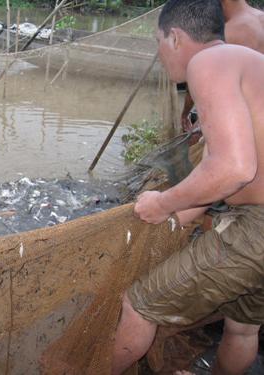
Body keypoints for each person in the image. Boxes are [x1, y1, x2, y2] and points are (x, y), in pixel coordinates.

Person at [111, 0, 264, 374]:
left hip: (258, 228)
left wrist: (162, 204)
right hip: (254, 217)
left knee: (139, 304)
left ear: (175, 38)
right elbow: (225, 173)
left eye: (159, 42)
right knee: (242, 328)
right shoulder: (248, 61)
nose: (160, 55)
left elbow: (234, 168)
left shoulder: (207, 63)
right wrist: (180, 215)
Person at [180, 0, 264, 132]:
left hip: (242, 125)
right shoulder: (261, 18)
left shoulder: (225, 34)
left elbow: (198, 83)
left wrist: (185, 113)